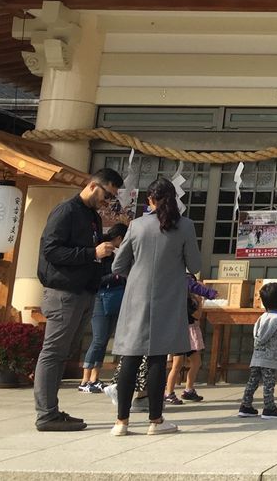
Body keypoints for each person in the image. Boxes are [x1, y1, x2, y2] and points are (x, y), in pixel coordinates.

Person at [32, 167, 125, 432]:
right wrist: (91, 253)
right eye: (107, 195)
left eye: (112, 198)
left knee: (63, 353)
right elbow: (51, 250)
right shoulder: (67, 211)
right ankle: (46, 414)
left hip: (84, 292)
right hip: (63, 292)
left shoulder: (92, 216)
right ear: (94, 186)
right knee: (53, 352)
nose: (108, 202)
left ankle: (52, 410)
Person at [109, 178, 201, 436]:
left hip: (136, 295)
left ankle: (121, 422)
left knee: (130, 357)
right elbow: (194, 265)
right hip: (168, 296)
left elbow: (118, 265)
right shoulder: (185, 226)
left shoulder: (137, 225)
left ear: (149, 199)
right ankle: (156, 420)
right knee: (158, 358)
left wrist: (138, 272)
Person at [78, 222, 128, 393]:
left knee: (105, 339)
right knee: (98, 339)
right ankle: (85, 379)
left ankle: (95, 377)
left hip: (114, 298)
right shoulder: (100, 253)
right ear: (119, 238)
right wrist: (116, 276)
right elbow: (96, 278)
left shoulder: (116, 254)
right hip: (100, 297)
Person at [237, 281, 277, 419]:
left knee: (253, 381)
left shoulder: (262, 318)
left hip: (257, 355)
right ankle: (269, 409)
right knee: (269, 383)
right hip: (270, 357)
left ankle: (245, 406)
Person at [164, 273, 218, 405]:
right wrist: (200, 301)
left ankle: (189, 389)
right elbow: (197, 315)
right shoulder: (185, 300)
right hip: (181, 333)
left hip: (189, 334)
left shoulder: (188, 299)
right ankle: (169, 392)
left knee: (196, 362)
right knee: (177, 365)